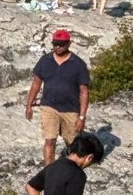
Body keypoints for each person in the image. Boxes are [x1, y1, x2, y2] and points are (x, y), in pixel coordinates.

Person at [25, 29, 90, 164]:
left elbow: (84, 91)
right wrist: (29, 105)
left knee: (71, 142)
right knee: (49, 140)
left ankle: (74, 166)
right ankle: (49, 172)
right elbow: (36, 83)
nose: (57, 47)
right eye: (55, 44)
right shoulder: (45, 61)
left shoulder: (78, 64)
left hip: (70, 109)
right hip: (49, 106)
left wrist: (82, 117)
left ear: (69, 44)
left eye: (61, 44)